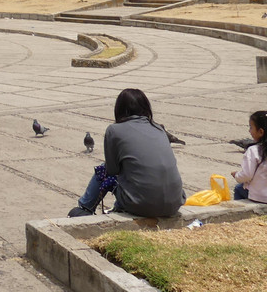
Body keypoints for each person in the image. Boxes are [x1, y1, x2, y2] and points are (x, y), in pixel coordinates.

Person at [69, 88, 184, 217]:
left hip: (143, 205)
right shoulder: (158, 128)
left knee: (103, 169)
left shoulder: (114, 130)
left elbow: (112, 170)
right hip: (175, 202)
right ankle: (117, 208)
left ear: (119, 109)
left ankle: (85, 208)